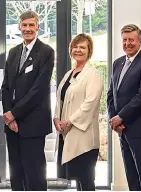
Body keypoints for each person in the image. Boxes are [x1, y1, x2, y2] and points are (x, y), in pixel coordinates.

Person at [1, 10, 54, 191]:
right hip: (12, 124)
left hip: (33, 123)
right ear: (19, 27)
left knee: (35, 173)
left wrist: (14, 113)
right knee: (16, 172)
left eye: (32, 25)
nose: (28, 29)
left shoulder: (46, 52)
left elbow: (38, 90)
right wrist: (9, 116)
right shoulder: (13, 52)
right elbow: (6, 86)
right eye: (24, 25)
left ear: (38, 27)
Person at [107, 24, 141, 191]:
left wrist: (120, 117)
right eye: (124, 40)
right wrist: (114, 119)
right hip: (123, 129)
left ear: (140, 41)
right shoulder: (118, 63)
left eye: (131, 40)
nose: (127, 43)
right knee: (131, 175)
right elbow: (112, 94)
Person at [54, 34, 103, 191]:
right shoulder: (69, 73)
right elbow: (59, 99)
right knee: (77, 179)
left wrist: (69, 121)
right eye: (75, 47)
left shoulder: (93, 74)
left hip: (84, 136)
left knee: (86, 180)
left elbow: (90, 103)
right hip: (67, 134)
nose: (78, 50)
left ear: (89, 51)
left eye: (82, 47)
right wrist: (56, 119)